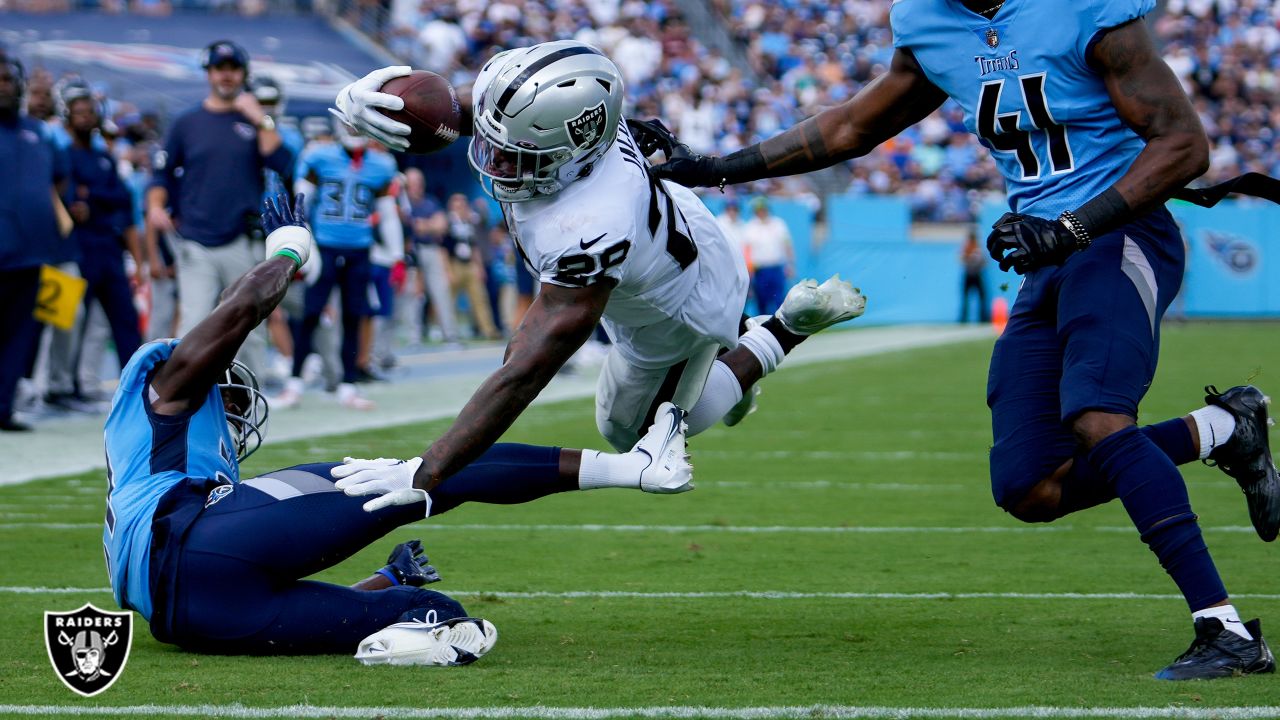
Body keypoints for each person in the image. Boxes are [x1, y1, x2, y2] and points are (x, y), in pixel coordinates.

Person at [643, 0, 1279, 680]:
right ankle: (1224, 428)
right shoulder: (929, 22)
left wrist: (1072, 227)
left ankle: (1226, 629)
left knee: (1098, 414)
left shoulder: (1082, 8)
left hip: (1120, 232)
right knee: (1030, 484)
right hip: (1047, 254)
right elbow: (853, 125)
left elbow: (1184, 145)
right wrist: (714, 168)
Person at [103, 192, 692, 661]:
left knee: (428, 608)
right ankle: (635, 467)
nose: (233, 412)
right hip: (196, 545)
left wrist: (379, 582)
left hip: (192, 619)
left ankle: (401, 611)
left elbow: (244, 576)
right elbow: (236, 312)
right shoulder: (163, 388)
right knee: (420, 475)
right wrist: (287, 250)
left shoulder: (140, 462)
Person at [329, 41, 865, 495]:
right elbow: (476, 108)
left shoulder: (591, 224)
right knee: (672, 397)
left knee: (627, 434)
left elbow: (524, 371)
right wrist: (379, 101)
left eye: (518, 155)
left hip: (677, 308)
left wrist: (428, 470)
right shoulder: (577, 122)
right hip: (684, 234)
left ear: (574, 152)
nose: (496, 163)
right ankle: (741, 340)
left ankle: (783, 328)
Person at [145, 40, 294, 379]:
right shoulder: (186, 123)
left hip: (241, 239)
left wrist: (260, 118)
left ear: (243, 74)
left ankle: (250, 402)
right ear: (209, 73)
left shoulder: (254, 121)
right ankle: (184, 407)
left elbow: (282, 163)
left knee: (251, 329)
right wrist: (155, 207)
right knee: (192, 326)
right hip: (195, 239)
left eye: (233, 69)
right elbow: (161, 174)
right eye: (219, 68)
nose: (226, 76)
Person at [275, 123, 394, 410]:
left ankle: (348, 386)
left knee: (354, 316)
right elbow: (301, 204)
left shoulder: (382, 164)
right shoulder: (319, 156)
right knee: (311, 313)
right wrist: (308, 244)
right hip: (325, 246)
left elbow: (387, 213)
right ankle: (294, 384)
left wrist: (395, 252)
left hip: (359, 249)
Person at [61, 81, 144, 391]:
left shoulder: (104, 158)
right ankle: (66, 385)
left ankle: (138, 383)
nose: (85, 117)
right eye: (79, 112)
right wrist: (100, 198)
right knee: (73, 321)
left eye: (89, 112)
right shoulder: (64, 155)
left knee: (125, 318)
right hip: (78, 248)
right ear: (68, 116)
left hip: (108, 246)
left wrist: (92, 195)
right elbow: (72, 200)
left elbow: (122, 198)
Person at [0, 57, 66, 431]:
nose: (3, 85)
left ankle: (4, 409)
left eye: (9, 79)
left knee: (19, 339)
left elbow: (58, 178)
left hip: (31, 256)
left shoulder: (38, 132)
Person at [740, 197, 794, 316]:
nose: (761, 212)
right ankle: (764, 330)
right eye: (758, 210)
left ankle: (780, 329)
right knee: (762, 302)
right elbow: (747, 251)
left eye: (763, 209)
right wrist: (749, 271)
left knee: (779, 301)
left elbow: (787, 245)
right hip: (760, 270)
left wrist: (790, 265)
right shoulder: (750, 227)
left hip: (777, 268)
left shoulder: (778, 224)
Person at [958, 229, 989, 324]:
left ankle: (983, 318)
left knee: (981, 297)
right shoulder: (967, 248)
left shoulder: (977, 247)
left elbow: (985, 262)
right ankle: (964, 319)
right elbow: (961, 259)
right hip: (970, 274)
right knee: (966, 297)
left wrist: (976, 260)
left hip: (976, 274)